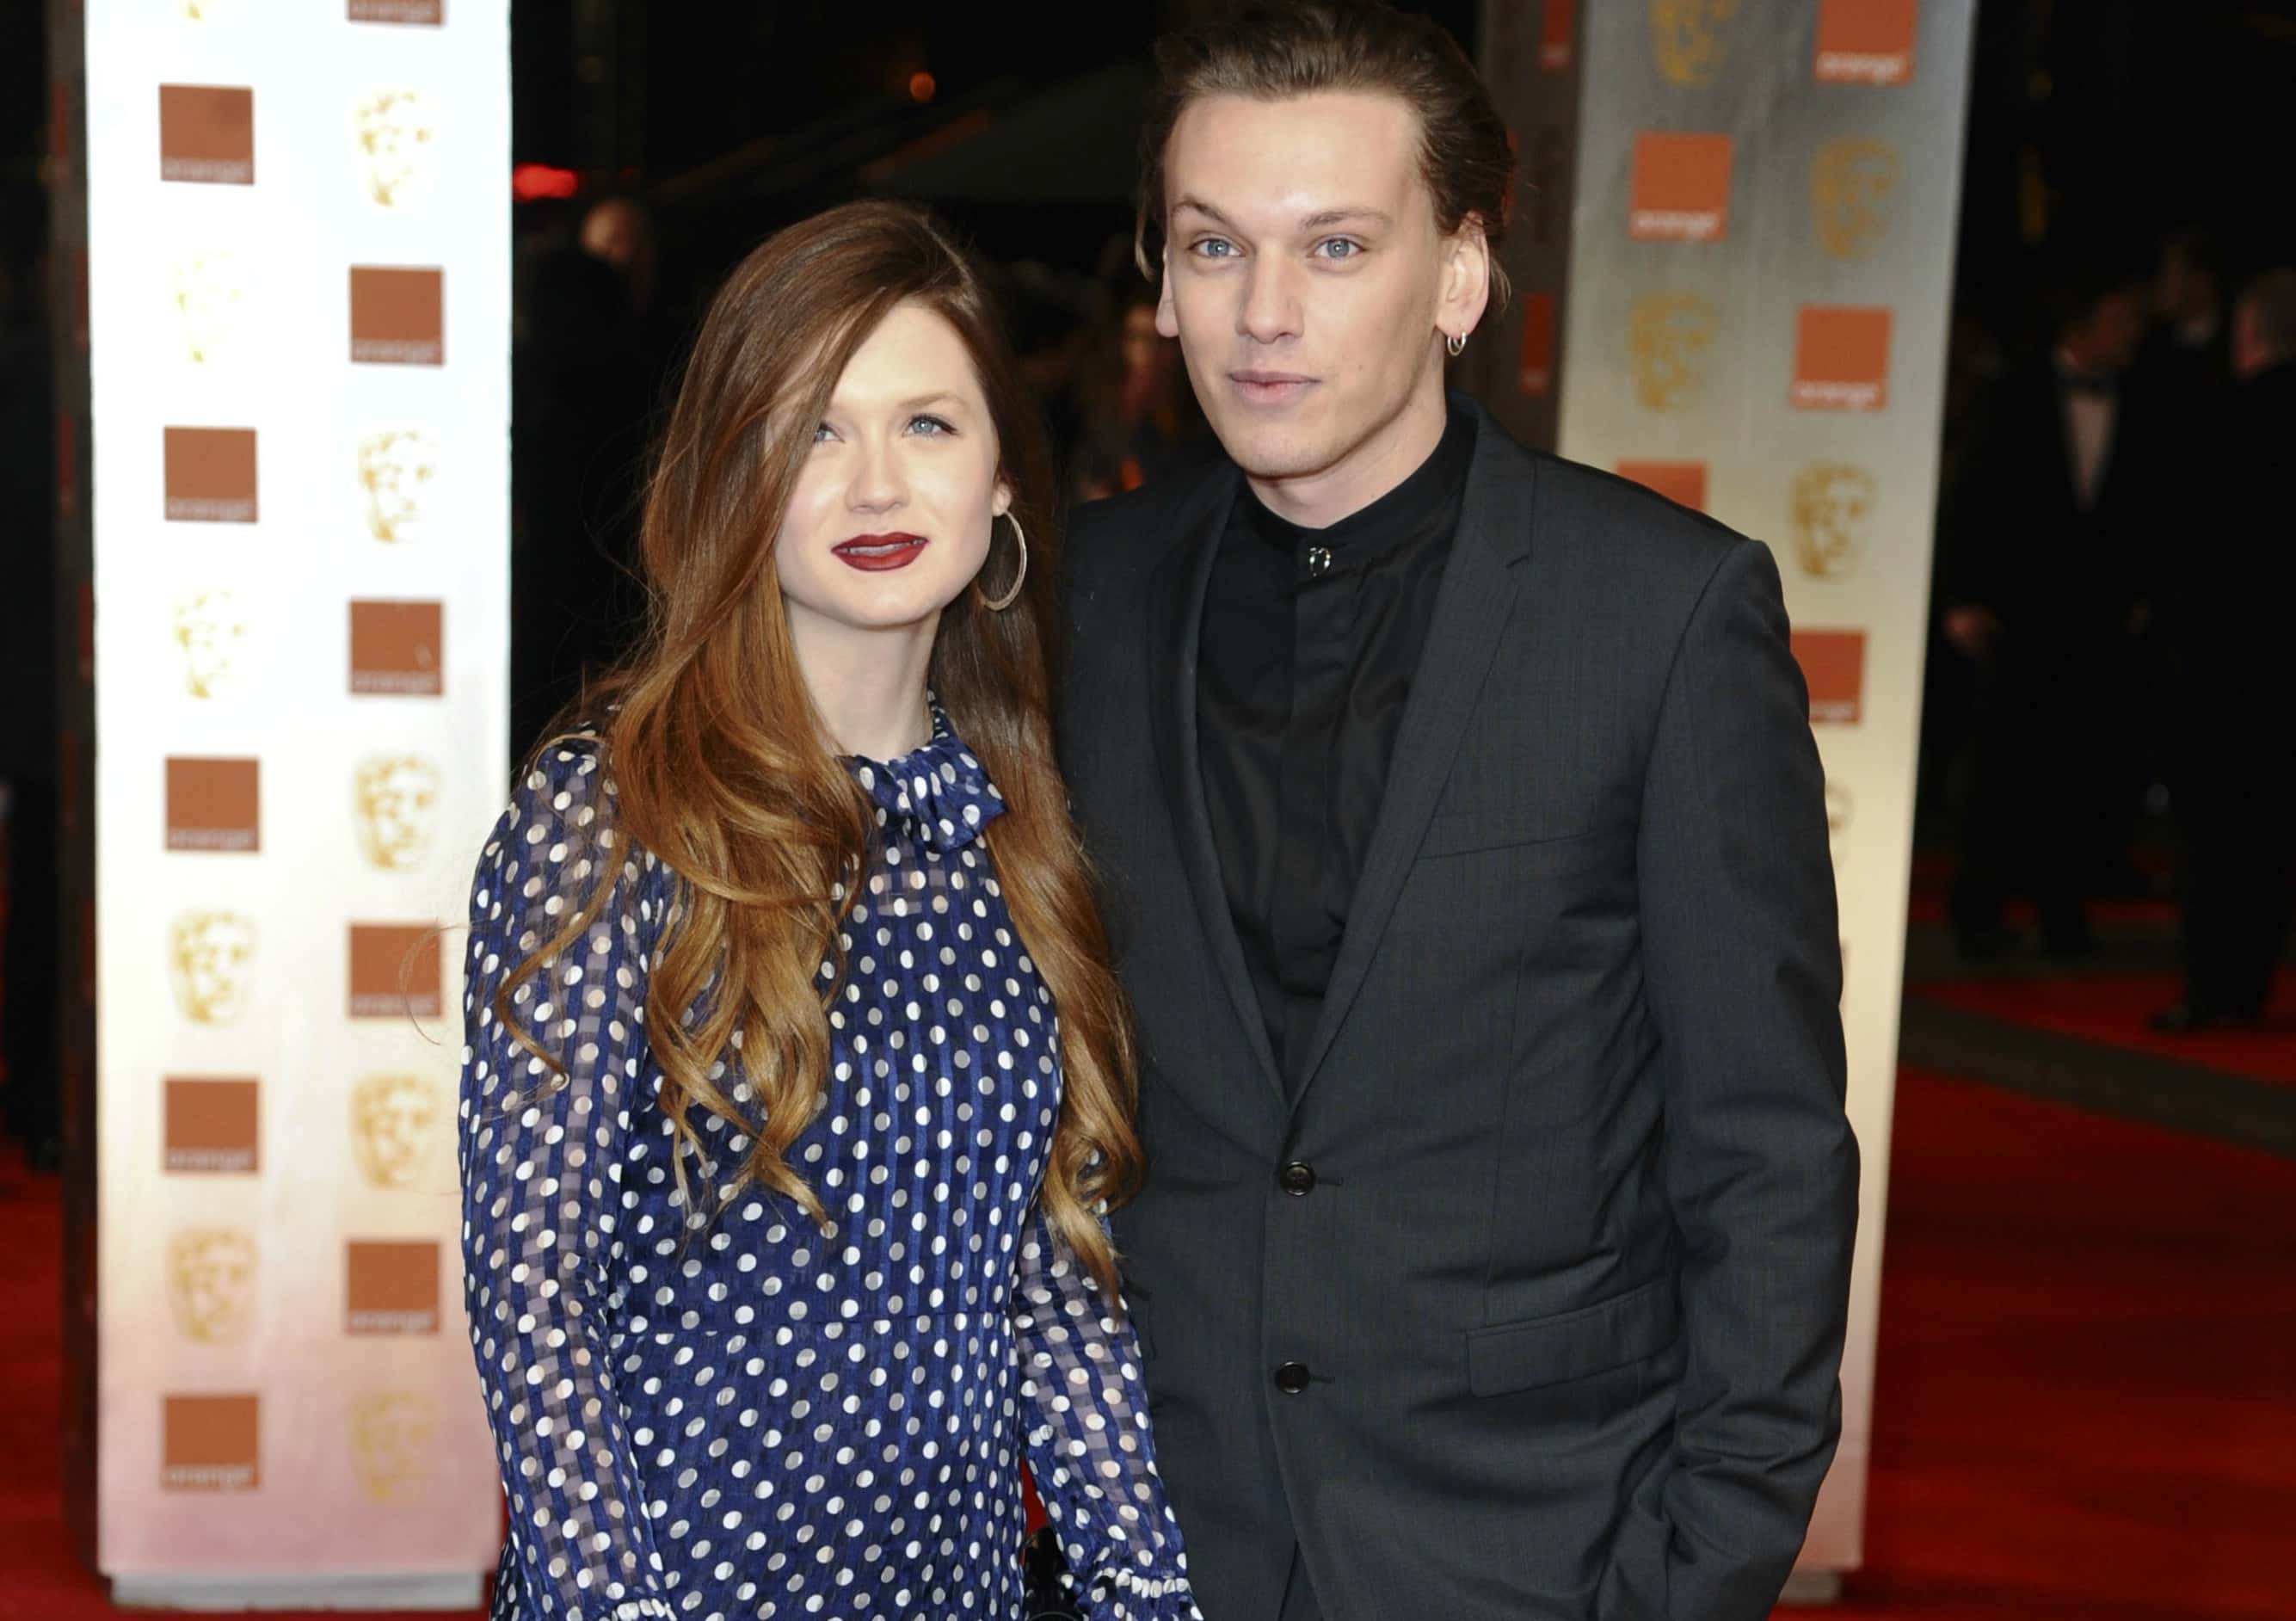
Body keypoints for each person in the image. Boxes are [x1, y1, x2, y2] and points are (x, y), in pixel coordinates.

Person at [1057, 7, 1856, 1618]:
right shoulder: (1085, 597)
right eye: (1213, 246)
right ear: (1159, 276)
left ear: (1459, 276)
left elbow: (1762, 1152)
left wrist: (1691, 1573)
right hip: (1159, 1542)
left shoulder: (1660, 612)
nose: (1260, 316)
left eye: (1334, 246)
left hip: (1537, 1548)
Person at [459, 200, 1199, 1621]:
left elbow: (1051, 1292)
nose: (874, 485)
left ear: (997, 483)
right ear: (735, 475)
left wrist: (1146, 1582)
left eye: (925, 424)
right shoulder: (611, 815)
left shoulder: (1015, 828)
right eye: (814, 429)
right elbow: (534, 1292)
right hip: (679, 1582)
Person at [1935, 260, 2158, 957]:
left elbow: (2144, 511)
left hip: (2094, 623)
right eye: (2121, 318)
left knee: (2081, 770)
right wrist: (1961, 598)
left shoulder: (2148, 401)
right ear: (2082, 321)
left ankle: (2063, 917)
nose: (2135, 332)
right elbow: (1968, 498)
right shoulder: (2013, 395)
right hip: (2012, 617)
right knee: (1997, 768)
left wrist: (2137, 593)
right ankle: (1976, 914)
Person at [2142, 268, 2296, 1032]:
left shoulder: (2213, 419)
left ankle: (2210, 991)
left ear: (2248, 334)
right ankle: (2248, 986)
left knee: (2209, 841)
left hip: (2217, 667)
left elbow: (2158, 530)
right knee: (2268, 840)